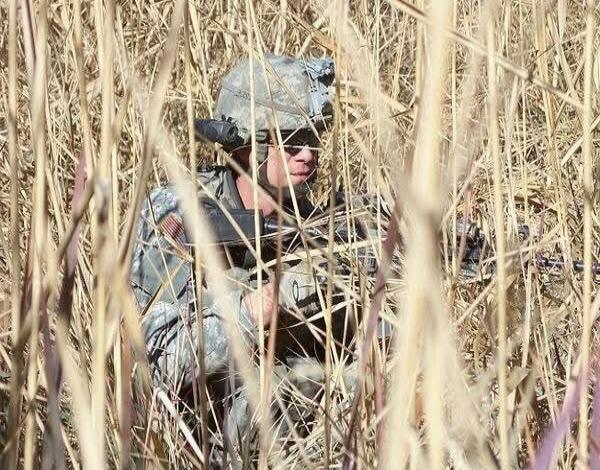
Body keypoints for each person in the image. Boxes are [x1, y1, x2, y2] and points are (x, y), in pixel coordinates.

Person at [130, 54, 376, 463]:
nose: (308, 154)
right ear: (248, 145)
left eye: (314, 137)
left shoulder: (315, 218)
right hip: (207, 424)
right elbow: (155, 359)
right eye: (292, 139)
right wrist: (264, 303)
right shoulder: (181, 213)